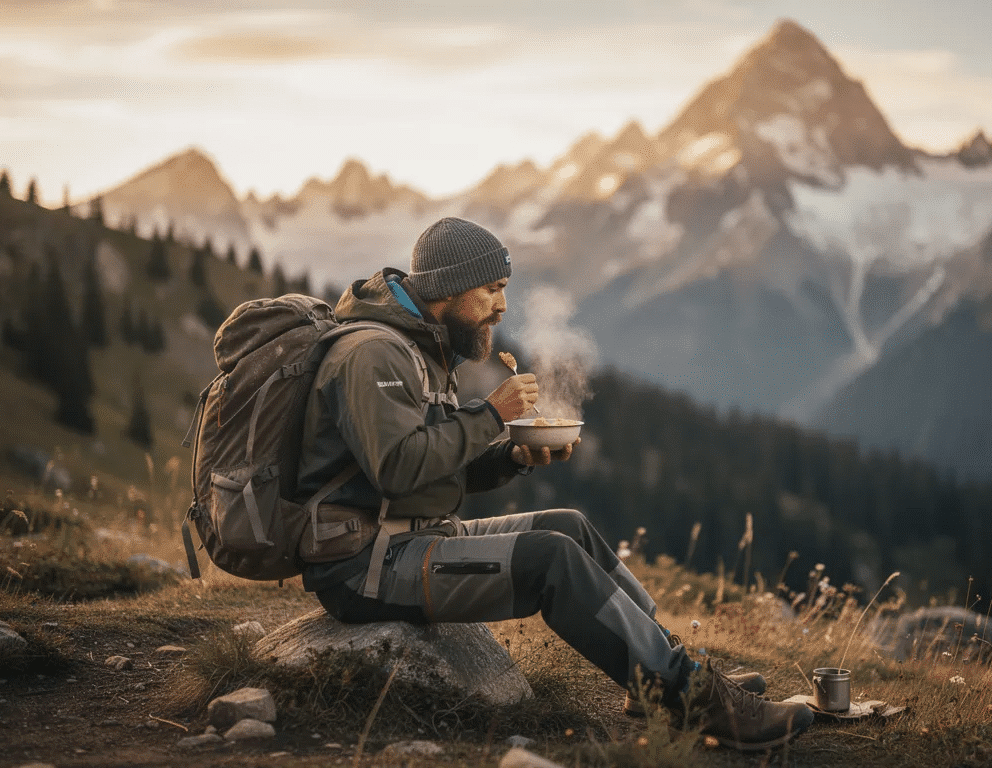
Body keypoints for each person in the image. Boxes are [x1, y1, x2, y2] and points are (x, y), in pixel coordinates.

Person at [295, 217, 814, 751]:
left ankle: (654, 669)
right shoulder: (373, 354)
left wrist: (512, 457)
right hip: (364, 564)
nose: (502, 307)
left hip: (413, 536)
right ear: (449, 288)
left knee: (568, 526)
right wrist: (491, 415)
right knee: (550, 559)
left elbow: (427, 472)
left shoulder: (422, 344)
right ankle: (693, 700)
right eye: (492, 291)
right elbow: (397, 468)